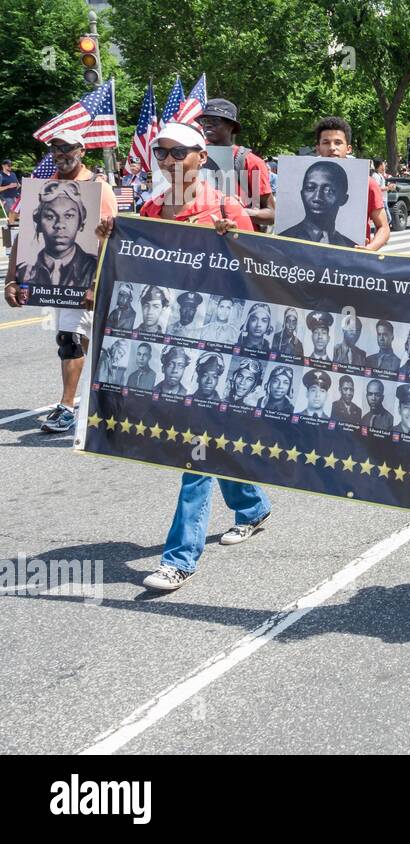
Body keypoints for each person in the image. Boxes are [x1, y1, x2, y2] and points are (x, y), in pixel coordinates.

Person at [92, 123, 265, 593]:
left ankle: (180, 559)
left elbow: (258, 280)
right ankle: (252, 506)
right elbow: (129, 269)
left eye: (179, 152)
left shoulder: (226, 207)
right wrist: (110, 234)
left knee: (195, 448)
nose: (169, 160)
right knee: (204, 441)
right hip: (166, 341)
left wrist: (237, 243)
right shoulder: (147, 208)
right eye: (161, 152)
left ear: (202, 157)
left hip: (215, 345)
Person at [4, 128, 116, 434]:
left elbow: (109, 239)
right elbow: (22, 238)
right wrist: (11, 280)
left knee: (81, 340)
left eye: (68, 148)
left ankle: (75, 406)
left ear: (81, 151)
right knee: (74, 339)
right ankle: (81, 402)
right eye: (56, 148)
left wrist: (95, 283)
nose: (61, 153)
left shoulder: (98, 187)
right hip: (55, 281)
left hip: (89, 276)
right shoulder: (43, 188)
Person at [312, 116, 390, 251]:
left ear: (348, 148)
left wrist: (371, 247)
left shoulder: (367, 184)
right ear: (318, 148)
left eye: (338, 142)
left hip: (351, 264)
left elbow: (384, 227)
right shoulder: (300, 177)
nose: (332, 148)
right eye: (326, 142)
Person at [197, 98, 275, 230]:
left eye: (215, 121)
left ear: (231, 126)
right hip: (199, 238)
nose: (207, 125)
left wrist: (235, 211)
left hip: (237, 240)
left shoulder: (251, 161)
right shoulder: (193, 156)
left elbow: (271, 214)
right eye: (204, 121)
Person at [14, 181, 98, 291]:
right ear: (38, 223)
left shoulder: (94, 268)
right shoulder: (23, 272)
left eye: (69, 215)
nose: (60, 224)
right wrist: (10, 283)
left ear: (81, 223)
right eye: (50, 216)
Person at [282, 159, 358, 246]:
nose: (317, 197)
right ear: (302, 194)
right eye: (310, 188)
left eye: (328, 190)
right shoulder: (283, 241)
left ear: (344, 199)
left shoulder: (351, 247)